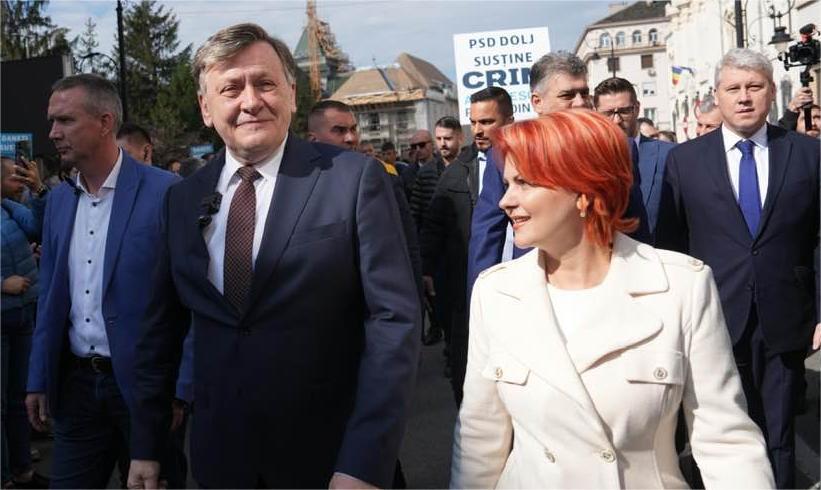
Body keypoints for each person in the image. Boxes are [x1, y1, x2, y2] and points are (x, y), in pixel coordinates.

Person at [127, 23, 421, 489]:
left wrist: (365, 461)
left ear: (291, 95)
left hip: (333, 460)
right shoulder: (181, 200)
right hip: (224, 462)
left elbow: (393, 322)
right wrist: (147, 444)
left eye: (264, 83)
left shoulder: (355, 180)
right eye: (231, 89)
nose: (250, 101)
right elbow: (159, 332)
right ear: (206, 108)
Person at [450, 110, 774, 489]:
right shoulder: (496, 293)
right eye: (507, 183)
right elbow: (479, 438)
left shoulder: (680, 286)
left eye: (524, 182)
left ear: (583, 191)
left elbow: (725, 441)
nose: (505, 201)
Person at [655, 48, 820, 489]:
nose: (744, 97)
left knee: (779, 435)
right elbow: (672, 246)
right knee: (718, 434)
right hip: (711, 319)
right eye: (733, 89)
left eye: (754, 87)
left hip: (785, 316)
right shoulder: (684, 161)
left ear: (771, 92)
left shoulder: (808, 154)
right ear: (717, 95)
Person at [24, 74, 185, 489]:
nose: (53, 133)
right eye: (52, 121)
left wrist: (182, 390)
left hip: (146, 391)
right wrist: (39, 377)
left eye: (65, 120)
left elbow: (191, 301)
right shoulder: (59, 200)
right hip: (75, 388)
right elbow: (50, 297)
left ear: (104, 122)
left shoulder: (166, 192)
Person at [467, 52, 650, 305]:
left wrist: (644, 285)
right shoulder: (509, 150)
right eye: (567, 95)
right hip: (535, 290)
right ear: (537, 102)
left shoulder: (618, 146)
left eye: (584, 93)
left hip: (609, 286)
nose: (580, 103)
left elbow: (633, 222)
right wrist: (481, 304)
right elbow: (487, 234)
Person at [422, 89, 513, 403]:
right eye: (473, 122)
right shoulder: (456, 172)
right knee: (472, 375)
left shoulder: (532, 161)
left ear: (509, 120)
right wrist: (426, 269)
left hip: (521, 285)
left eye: (487, 121)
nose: (478, 130)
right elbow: (433, 225)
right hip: (469, 288)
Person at [1, 157, 49, 490]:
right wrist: (2, 284)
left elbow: (43, 228)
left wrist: (40, 191)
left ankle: (23, 471)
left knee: (20, 399)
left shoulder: (10, 208)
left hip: (23, 316)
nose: (20, 182)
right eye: (14, 176)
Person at [594, 76, 674, 236]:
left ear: (637, 108)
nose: (616, 120)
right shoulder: (586, 160)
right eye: (608, 113)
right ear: (596, 113)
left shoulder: (669, 155)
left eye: (624, 111)